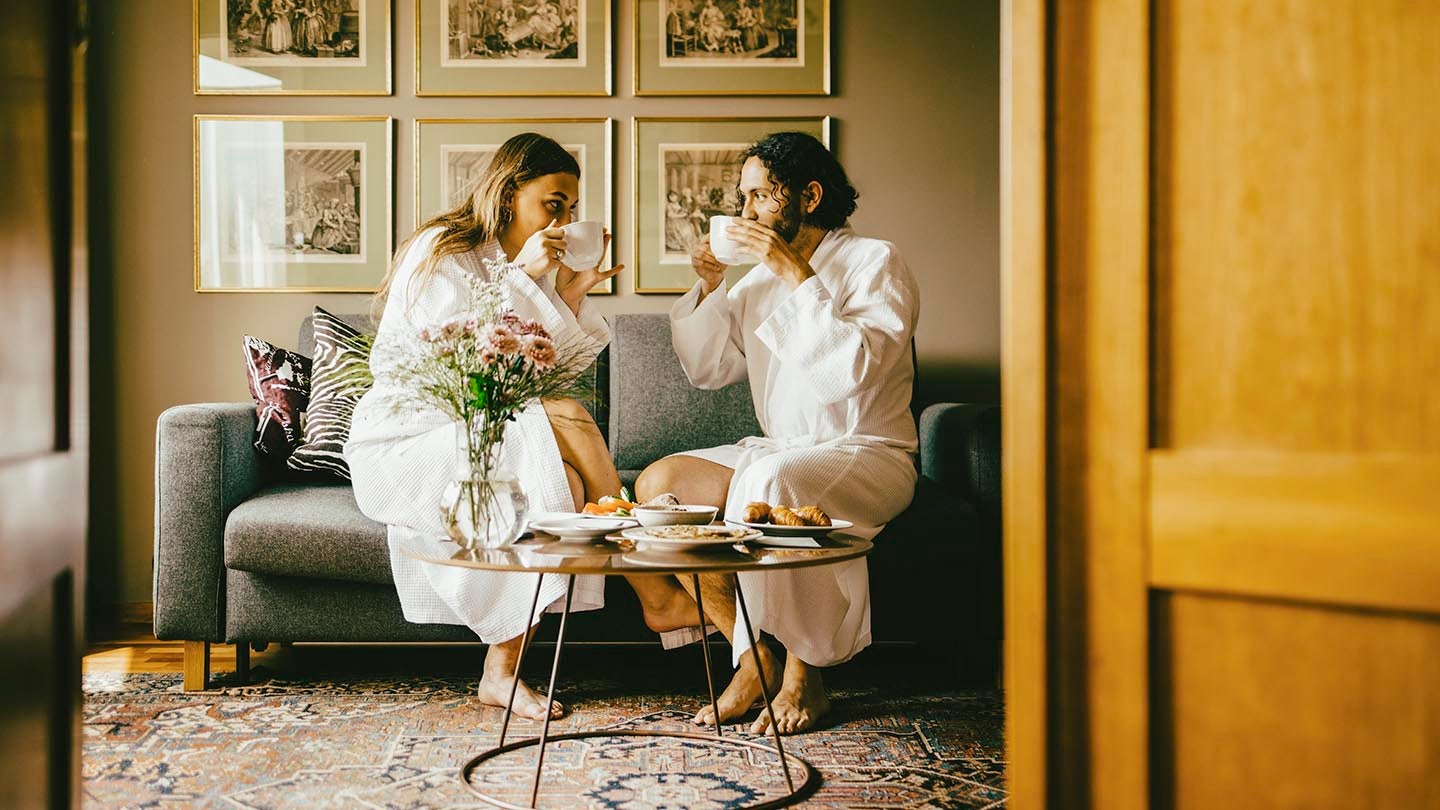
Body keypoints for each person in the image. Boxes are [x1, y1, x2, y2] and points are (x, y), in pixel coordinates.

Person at [631, 131, 920, 735]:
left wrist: (795, 272)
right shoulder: (757, 282)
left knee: (775, 478)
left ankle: (803, 675)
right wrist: (713, 285)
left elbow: (850, 373)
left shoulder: (876, 261)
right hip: (782, 452)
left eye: (759, 196)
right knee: (660, 486)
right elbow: (709, 370)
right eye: (743, 198)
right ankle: (751, 657)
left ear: (809, 196)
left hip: (867, 451)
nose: (745, 212)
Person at [346, 134, 639, 720]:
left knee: (565, 490)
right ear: (508, 195)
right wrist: (525, 281)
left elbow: (545, 374)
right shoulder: (442, 250)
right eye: (552, 204)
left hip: (486, 432)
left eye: (570, 209)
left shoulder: (531, 269)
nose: (563, 221)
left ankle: (500, 672)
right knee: (567, 413)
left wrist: (569, 296)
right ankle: (651, 583)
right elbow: (462, 364)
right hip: (410, 441)